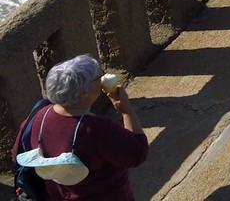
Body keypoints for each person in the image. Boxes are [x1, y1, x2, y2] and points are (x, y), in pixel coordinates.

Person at [11, 54, 148, 201]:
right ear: (83, 92)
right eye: (97, 78)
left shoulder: (39, 115)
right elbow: (137, 154)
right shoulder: (98, 129)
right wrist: (126, 111)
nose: (101, 81)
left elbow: (15, 153)